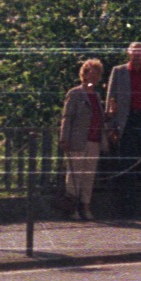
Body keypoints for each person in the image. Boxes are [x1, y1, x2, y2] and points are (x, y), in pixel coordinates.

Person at [105, 42, 141, 218]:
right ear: (128, 54)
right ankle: (127, 210)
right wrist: (111, 127)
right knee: (127, 165)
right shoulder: (119, 71)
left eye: (140, 52)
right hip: (127, 121)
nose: (137, 55)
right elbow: (111, 99)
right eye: (134, 52)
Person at [57, 59, 106, 221]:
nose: (95, 76)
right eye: (91, 72)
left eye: (97, 72)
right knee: (74, 174)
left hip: (94, 140)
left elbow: (99, 117)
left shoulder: (97, 95)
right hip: (77, 140)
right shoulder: (75, 93)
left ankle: (85, 206)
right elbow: (67, 117)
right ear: (84, 74)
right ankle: (72, 208)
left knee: (89, 175)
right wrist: (64, 138)